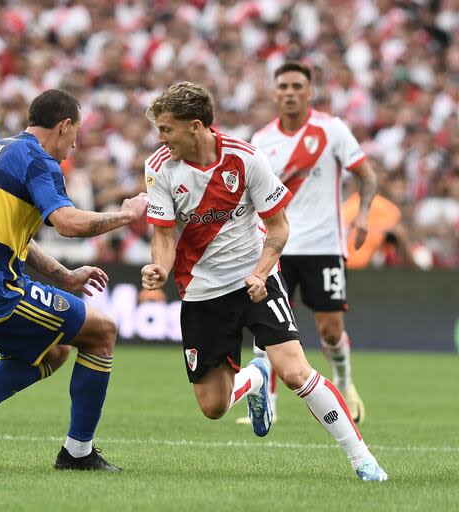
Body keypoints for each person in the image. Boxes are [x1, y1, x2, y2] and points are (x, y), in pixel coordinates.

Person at [140, 81, 387, 481]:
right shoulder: (158, 168)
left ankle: (363, 459)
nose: (160, 138)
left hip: (256, 280)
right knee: (213, 407)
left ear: (196, 126)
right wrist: (160, 270)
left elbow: (278, 228)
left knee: (295, 371)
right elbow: (164, 236)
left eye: (167, 129)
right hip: (201, 291)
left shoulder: (246, 159)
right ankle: (256, 378)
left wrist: (260, 271)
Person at [0, 89, 148, 470]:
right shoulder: (38, 161)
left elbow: (12, 236)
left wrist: (63, 275)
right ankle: (78, 453)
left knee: (55, 349)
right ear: (64, 126)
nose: (74, 144)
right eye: (75, 133)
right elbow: (66, 223)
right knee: (102, 332)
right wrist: (125, 215)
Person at [243, 61, 378, 424]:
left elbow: (367, 177)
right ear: (274, 93)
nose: (289, 93)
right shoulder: (261, 140)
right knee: (266, 327)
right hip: (276, 246)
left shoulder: (331, 129)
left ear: (309, 91)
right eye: (283, 86)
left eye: (296, 86)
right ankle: (265, 401)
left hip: (324, 246)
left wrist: (363, 214)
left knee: (330, 330)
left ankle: (345, 382)